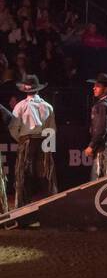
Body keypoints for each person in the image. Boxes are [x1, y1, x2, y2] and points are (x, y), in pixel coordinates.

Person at [10, 75, 57, 207]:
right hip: (44, 141)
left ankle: (22, 206)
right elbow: (52, 130)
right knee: (46, 172)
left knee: (23, 173)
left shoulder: (20, 106)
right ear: (38, 89)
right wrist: (49, 150)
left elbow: (13, 128)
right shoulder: (48, 106)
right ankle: (51, 204)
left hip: (26, 141)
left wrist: (20, 139)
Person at [84, 73, 107, 180]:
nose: (94, 88)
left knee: (99, 178)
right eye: (94, 85)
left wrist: (91, 145)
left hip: (103, 146)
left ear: (106, 89)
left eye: (98, 86)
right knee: (105, 174)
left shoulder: (102, 105)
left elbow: (101, 129)